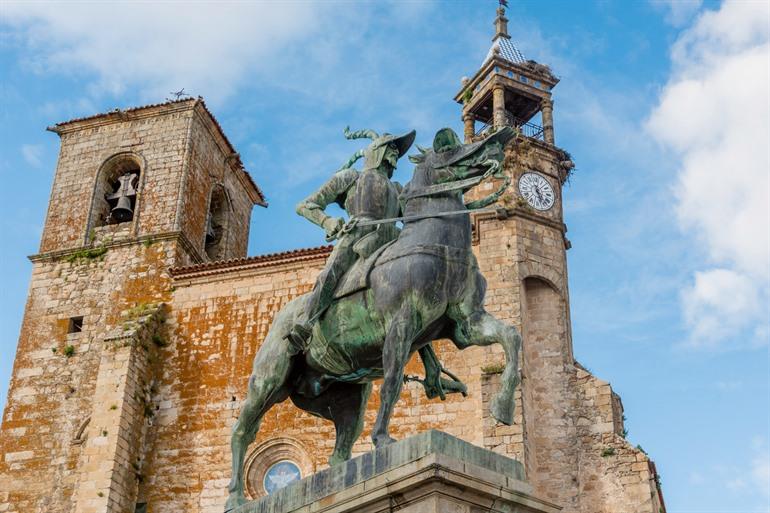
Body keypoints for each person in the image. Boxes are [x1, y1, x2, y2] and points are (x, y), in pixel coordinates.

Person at [285, 128, 416, 351]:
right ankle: (306, 322)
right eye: (391, 147)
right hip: (358, 235)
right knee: (332, 272)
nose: (396, 153)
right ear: (378, 151)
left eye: (397, 149)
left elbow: (413, 219)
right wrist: (328, 222)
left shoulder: (397, 189)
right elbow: (305, 205)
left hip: (391, 239)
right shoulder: (351, 177)